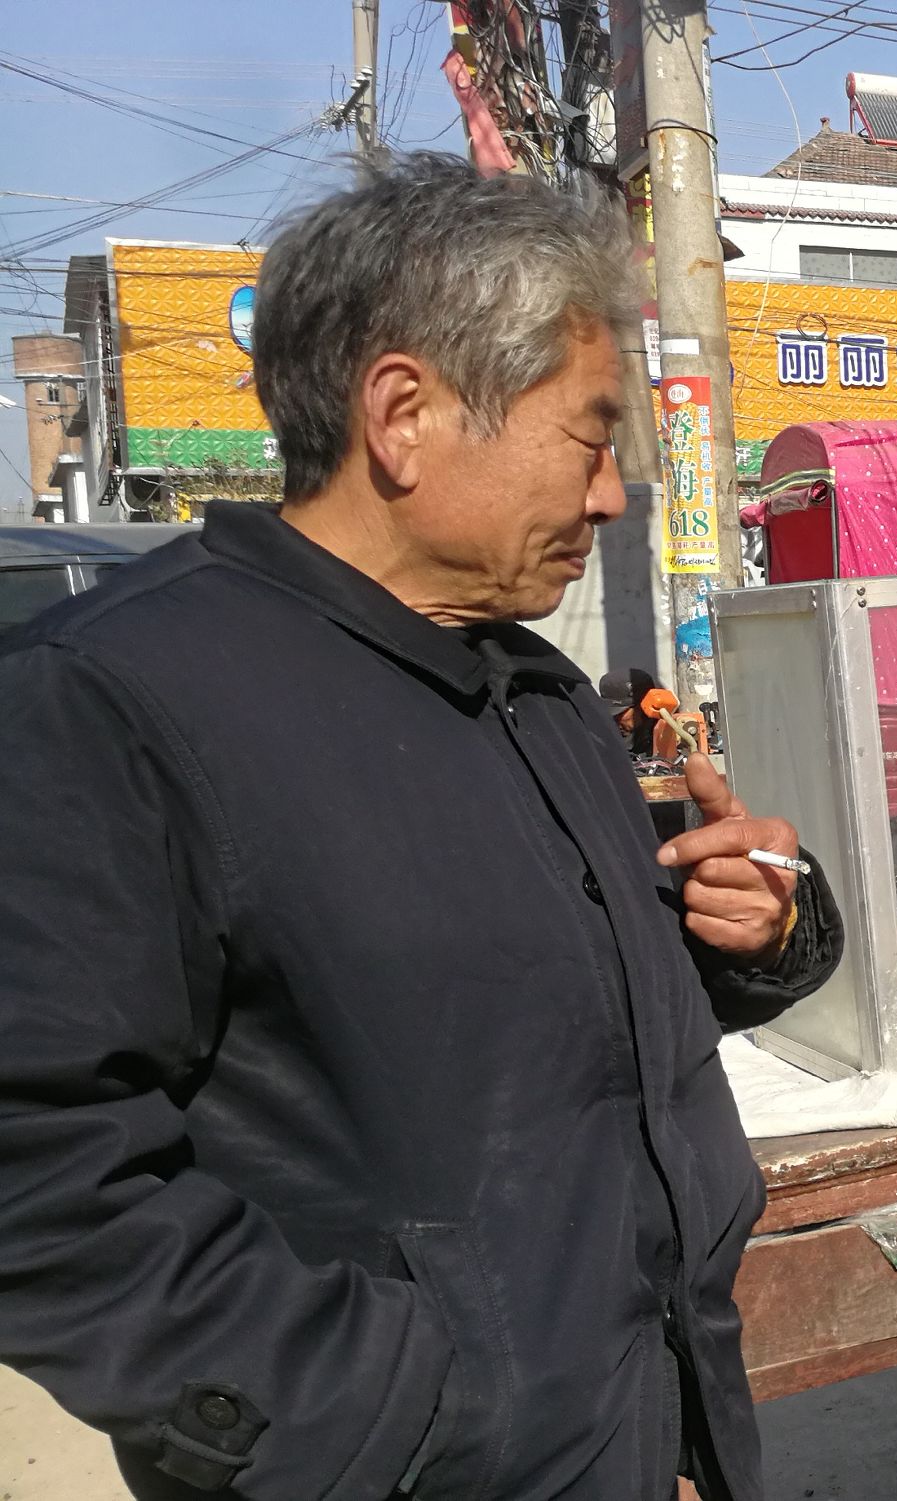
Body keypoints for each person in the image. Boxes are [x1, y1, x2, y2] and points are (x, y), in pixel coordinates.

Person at [0, 155, 842, 1499]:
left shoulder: (529, 683)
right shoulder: (114, 702)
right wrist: (373, 1410)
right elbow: (40, 1171)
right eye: (588, 438)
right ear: (403, 414)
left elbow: (550, 1008)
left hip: (646, 1430)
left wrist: (759, 929)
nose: (612, 496)